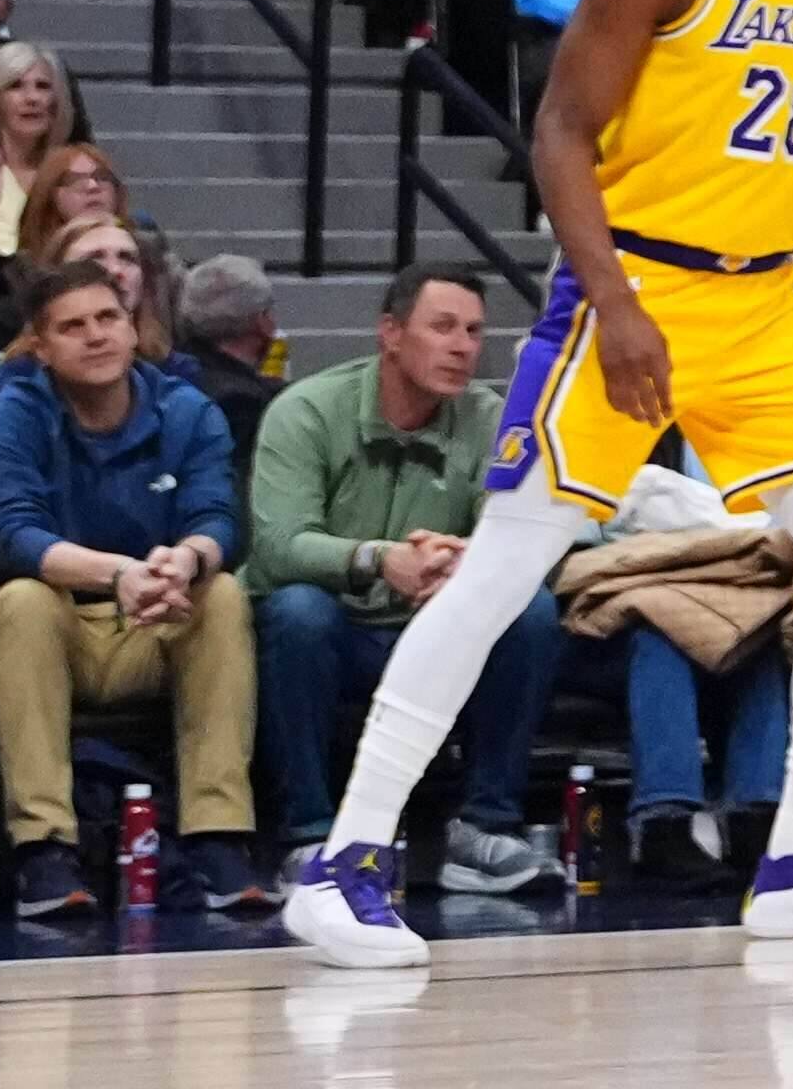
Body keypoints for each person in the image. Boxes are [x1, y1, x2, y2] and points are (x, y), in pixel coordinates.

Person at [281, 0, 793, 964]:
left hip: (763, 308)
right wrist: (613, 301)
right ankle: (345, 860)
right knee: (501, 572)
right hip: (629, 288)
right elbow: (561, 130)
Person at [243, 265, 567, 888]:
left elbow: (528, 529)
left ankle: (483, 830)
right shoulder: (307, 410)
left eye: (474, 331)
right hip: (340, 626)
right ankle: (311, 838)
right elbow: (279, 545)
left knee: (529, 611)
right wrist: (379, 557)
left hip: (434, 622)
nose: (463, 346)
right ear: (390, 333)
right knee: (296, 611)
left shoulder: (491, 418)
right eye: (442, 327)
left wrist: (468, 561)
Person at [0, 248, 270, 915]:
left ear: (135, 328)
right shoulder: (16, 410)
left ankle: (218, 837)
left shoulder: (186, 409)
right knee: (21, 601)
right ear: (41, 347)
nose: (97, 334)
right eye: (73, 326)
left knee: (219, 593)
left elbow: (218, 516)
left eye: (109, 317)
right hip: (57, 626)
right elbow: (12, 534)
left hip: (155, 620)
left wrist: (184, 562)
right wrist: (120, 572)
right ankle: (42, 849)